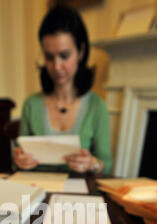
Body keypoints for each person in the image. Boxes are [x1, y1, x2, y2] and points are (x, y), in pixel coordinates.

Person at [14, 5, 113, 175]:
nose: (57, 66)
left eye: (64, 55)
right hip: (38, 191)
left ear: (81, 52)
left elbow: (107, 165)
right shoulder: (31, 104)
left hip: (79, 196)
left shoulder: (96, 106)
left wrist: (93, 163)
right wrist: (19, 159)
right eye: (49, 57)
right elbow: (19, 155)